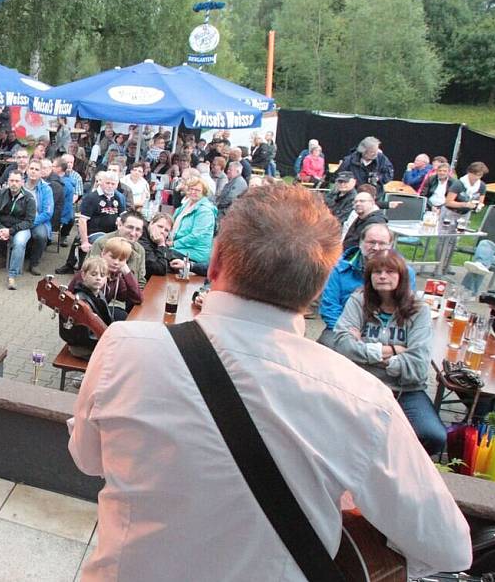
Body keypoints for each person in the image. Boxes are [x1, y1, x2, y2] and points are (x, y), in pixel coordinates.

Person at [68, 182, 471, 581]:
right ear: (318, 285)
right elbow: (448, 548)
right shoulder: (362, 400)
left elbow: (87, 459)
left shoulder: (124, 346)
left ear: (216, 261)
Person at [331, 250, 445, 454]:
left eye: (390, 271)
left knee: (433, 436)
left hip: (405, 390)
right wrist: (393, 351)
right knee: (340, 428)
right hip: (362, 383)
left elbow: (419, 367)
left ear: (401, 276)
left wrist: (365, 350)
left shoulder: (419, 310)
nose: (382, 276)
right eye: (377, 272)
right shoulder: (359, 301)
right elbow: (341, 345)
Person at [319, 223, 416, 341]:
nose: (376, 248)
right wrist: (346, 332)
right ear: (361, 243)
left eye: (382, 243)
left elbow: (406, 307)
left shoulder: (405, 272)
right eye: (371, 242)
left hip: (387, 331)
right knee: (326, 345)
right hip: (345, 327)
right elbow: (330, 308)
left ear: (390, 246)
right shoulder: (338, 268)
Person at [56, 171, 127, 275]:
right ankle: (83, 268)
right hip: (94, 232)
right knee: (99, 242)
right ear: (101, 182)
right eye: (107, 183)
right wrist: (84, 241)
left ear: (117, 184)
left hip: (113, 233)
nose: (110, 186)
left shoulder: (119, 197)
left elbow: (123, 218)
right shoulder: (91, 197)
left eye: (113, 184)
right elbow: (82, 220)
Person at [89, 210, 147, 292]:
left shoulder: (140, 250)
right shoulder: (102, 243)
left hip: (130, 299)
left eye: (138, 230)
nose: (133, 233)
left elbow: (141, 281)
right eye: (130, 227)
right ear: (120, 225)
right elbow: (88, 274)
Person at [169, 177, 216, 269]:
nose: (193, 192)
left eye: (197, 190)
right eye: (191, 189)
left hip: (194, 253)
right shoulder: (186, 204)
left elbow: (196, 236)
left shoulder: (205, 211)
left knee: (163, 255)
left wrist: (174, 243)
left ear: (204, 192)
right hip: (179, 247)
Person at [22, 159, 54, 276]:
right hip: (19, 218)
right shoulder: (20, 185)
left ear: (41, 173)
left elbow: (47, 213)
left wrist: (31, 222)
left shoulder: (46, 189)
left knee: (41, 235)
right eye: (31, 169)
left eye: (37, 169)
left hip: (38, 220)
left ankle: (34, 263)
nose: (34, 172)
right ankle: (3, 257)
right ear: (26, 170)